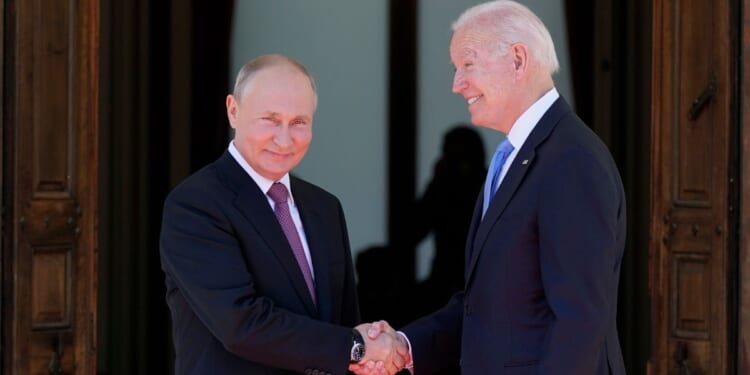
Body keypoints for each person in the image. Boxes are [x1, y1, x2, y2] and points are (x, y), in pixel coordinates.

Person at [354, 1, 627, 374]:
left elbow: (579, 321)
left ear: (518, 59)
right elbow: (485, 304)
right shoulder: (514, 156)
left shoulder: (570, 160)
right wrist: (404, 344)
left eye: (467, 64)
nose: (456, 84)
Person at [160, 54, 407, 375]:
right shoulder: (196, 204)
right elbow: (240, 324)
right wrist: (356, 347)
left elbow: (344, 320)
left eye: (299, 122)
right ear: (233, 111)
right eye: (271, 119)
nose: (285, 139)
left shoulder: (324, 207)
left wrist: (368, 347)